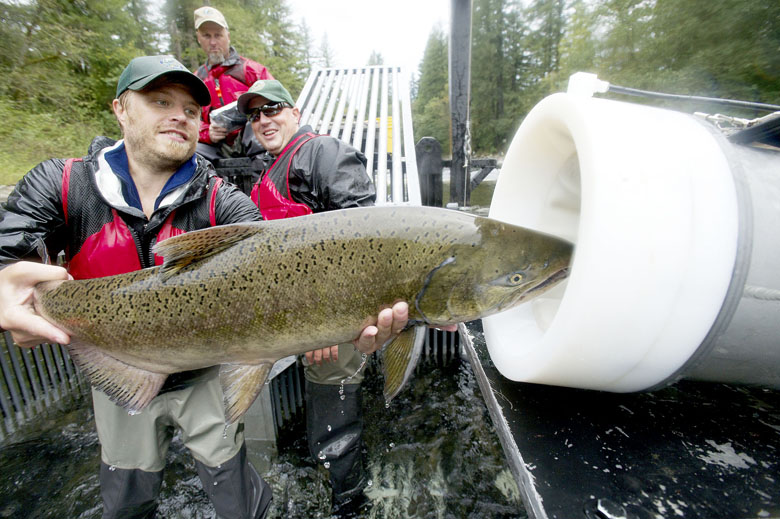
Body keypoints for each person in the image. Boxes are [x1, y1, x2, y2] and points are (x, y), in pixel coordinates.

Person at [0, 55, 410, 519]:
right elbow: (9, 247)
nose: (179, 115)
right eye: (160, 101)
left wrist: (335, 316)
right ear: (121, 109)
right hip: (116, 361)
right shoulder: (60, 183)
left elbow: (276, 272)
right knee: (127, 500)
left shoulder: (226, 202)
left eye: (191, 110)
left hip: (206, 375)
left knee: (239, 500)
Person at [236, 79, 432, 518]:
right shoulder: (268, 169)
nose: (264, 120)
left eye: (273, 109)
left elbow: (359, 234)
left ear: (295, 113)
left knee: (334, 417)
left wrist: (323, 322)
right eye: (255, 115)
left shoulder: (323, 152)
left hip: (330, 312)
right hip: (292, 312)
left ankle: (348, 501)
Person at [193, 6, 273, 161]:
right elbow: (187, 118)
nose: (213, 42)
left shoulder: (252, 70)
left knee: (255, 125)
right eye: (207, 36)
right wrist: (207, 132)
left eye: (218, 35)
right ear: (199, 39)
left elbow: (278, 103)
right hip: (216, 147)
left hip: (254, 142)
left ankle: (263, 176)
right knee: (190, 152)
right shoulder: (196, 80)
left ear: (228, 36)